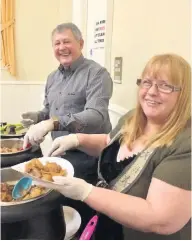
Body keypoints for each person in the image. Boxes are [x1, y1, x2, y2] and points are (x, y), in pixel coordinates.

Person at [39, 53, 191, 239]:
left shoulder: (185, 144)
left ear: (183, 94)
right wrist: (77, 139)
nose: (152, 91)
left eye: (165, 86)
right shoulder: (133, 117)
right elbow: (108, 143)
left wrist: (86, 192)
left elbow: (159, 218)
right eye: (147, 82)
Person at [21, 22, 113, 183]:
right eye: (57, 43)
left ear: (81, 43)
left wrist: (52, 123)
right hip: (60, 154)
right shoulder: (52, 77)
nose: (62, 47)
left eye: (66, 41)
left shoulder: (97, 74)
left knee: (81, 206)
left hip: (89, 158)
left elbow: (96, 115)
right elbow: (50, 111)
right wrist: (38, 117)